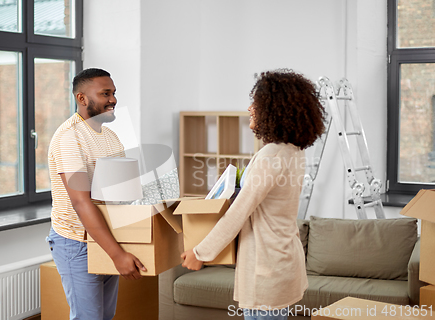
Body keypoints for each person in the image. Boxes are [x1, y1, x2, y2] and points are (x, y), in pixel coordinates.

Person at [181, 69, 326, 320]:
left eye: (257, 103)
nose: (250, 108)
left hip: (266, 268)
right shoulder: (293, 151)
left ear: (275, 109)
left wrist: (200, 253)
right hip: (282, 261)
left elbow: (239, 213)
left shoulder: (271, 155)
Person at [46, 68, 146, 320]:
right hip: (76, 241)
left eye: (113, 93)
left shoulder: (111, 138)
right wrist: (117, 254)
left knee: (104, 316)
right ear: (82, 98)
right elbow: (81, 201)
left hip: (104, 234)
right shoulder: (69, 138)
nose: (112, 99)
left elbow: (120, 193)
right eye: (105, 93)